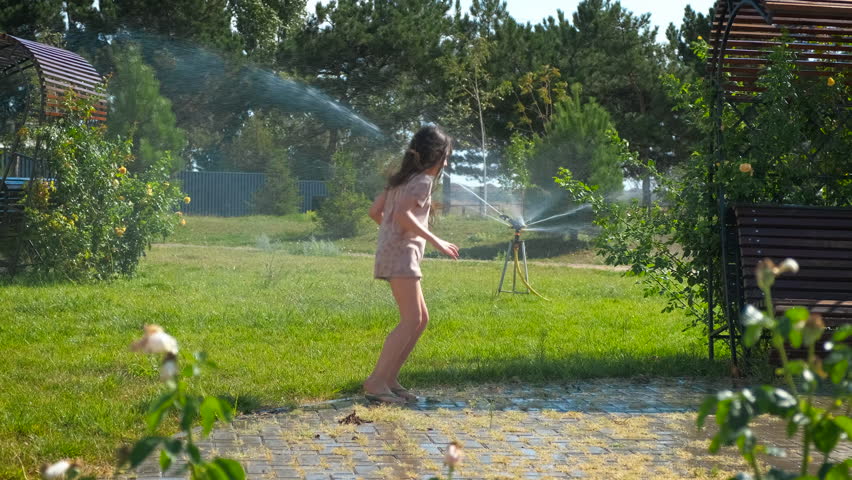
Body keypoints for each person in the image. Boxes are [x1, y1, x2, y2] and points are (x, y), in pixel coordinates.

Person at [364, 125, 459, 404]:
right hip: (403, 257)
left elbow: (375, 212)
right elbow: (405, 215)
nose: (447, 162)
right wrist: (437, 241)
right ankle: (376, 381)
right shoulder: (422, 181)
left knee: (420, 320)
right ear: (437, 156)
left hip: (393, 253)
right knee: (411, 320)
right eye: (446, 156)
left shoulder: (400, 180)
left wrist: (390, 235)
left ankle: (390, 379)